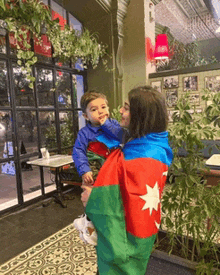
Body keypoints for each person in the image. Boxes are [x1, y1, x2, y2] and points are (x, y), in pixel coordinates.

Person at [84, 86, 173, 275]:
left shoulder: (147, 155)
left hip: (126, 240)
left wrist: (93, 198)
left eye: (126, 108)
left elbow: (131, 201)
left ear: (141, 115)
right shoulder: (146, 143)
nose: (121, 111)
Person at [72, 90, 122, 245]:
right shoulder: (84, 133)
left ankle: (113, 226)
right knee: (94, 199)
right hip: (95, 169)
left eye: (103, 107)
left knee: (115, 200)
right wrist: (84, 169)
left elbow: (121, 136)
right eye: (94, 110)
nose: (100, 112)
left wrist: (105, 123)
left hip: (114, 169)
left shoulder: (113, 125)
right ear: (86, 116)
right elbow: (78, 151)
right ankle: (88, 224)